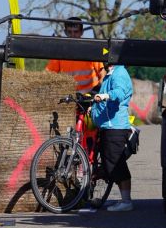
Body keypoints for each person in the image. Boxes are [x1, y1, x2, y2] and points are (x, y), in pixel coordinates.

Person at [91, 62, 135, 212]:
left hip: (115, 126)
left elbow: (120, 92)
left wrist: (105, 96)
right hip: (108, 126)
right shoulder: (111, 74)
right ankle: (124, 199)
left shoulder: (119, 73)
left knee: (117, 163)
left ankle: (126, 201)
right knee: (110, 162)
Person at [45, 17, 105, 93]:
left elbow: (102, 72)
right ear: (65, 32)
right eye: (69, 32)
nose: (72, 35)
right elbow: (48, 74)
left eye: (76, 32)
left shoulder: (90, 49)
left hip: (90, 95)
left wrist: (101, 88)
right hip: (69, 96)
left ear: (82, 32)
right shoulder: (60, 51)